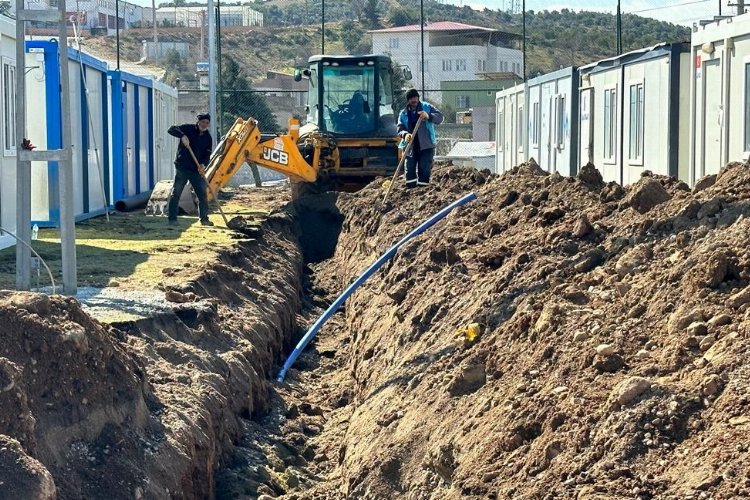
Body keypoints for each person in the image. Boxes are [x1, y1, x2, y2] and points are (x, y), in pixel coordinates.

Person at [166, 113, 214, 226]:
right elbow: (171, 129)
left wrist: (203, 164)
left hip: (196, 170)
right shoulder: (188, 129)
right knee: (176, 193)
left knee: (202, 194)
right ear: (198, 121)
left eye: (207, 123)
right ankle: (172, 219)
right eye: (203, 122)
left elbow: (207, 154)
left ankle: (204, 219)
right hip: (182, 167)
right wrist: (182, 136)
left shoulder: (208, 137)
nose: (204, 124)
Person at [397, 89, 443, 188]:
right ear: (408, 100)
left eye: (415, 97)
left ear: (418, 98)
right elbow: (400, 128)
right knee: (409, 168)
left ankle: (423, 190)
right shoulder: (403, 113)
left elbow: (440, 117)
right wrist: (405, 135)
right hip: (410, 146)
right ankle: (411, 189)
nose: (414, 100)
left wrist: (428, 116)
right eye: (411, 98)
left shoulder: (426, 107)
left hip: (426, 145)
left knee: (424, 168)